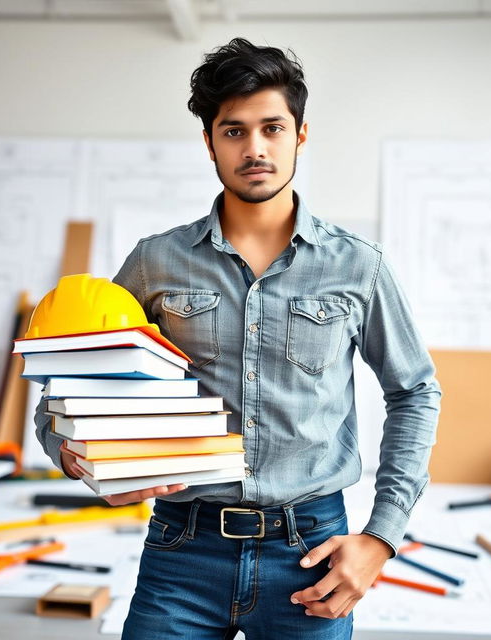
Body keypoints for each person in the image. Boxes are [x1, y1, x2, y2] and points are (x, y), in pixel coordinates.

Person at [35, 37, 441, 639]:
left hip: (312, 550)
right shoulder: (156, 262)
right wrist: (75, 455)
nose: (255, 149)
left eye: (272, 128)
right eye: (233, 131)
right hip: (182, 550)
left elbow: (415, 391)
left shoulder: (359, 266)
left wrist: (381, 537)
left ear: (300, 134)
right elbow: (72, 382)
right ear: (209, 142)